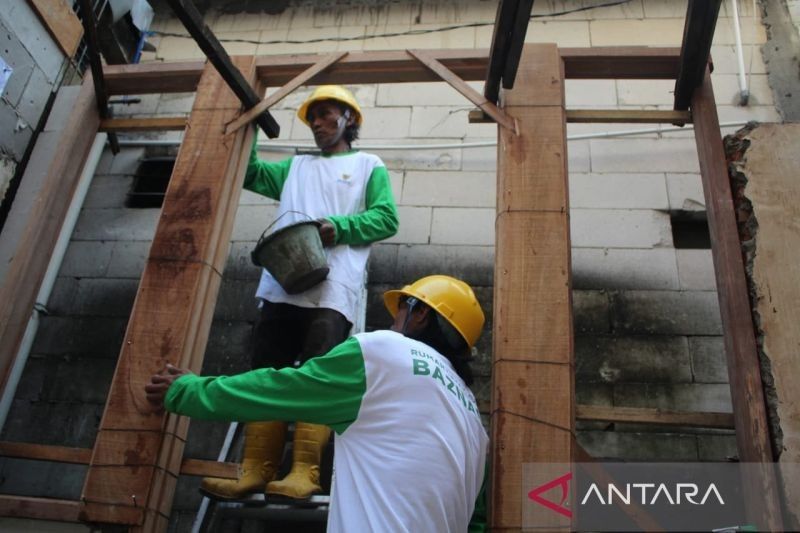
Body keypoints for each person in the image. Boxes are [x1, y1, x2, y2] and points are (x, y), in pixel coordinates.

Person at [146, 275, 488, 532]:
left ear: (421, 315)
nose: (392, 322)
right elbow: (476, 521)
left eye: (400, 310)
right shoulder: (474, 421)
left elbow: (280, 389)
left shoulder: (386, 352)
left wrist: (187, 391)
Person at [199, 85, 399, 501]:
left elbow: (386, 218)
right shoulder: (296, 168)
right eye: (312, 118)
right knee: (265, 370)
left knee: (317, 373)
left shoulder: (368, 165)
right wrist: (253, 122)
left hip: (332, 288)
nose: (318, 124)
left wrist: (338, 228)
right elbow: (250, 172)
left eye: (326, 114)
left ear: (350, 119)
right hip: (280, 284)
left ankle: (304, 471)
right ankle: (256, 467)